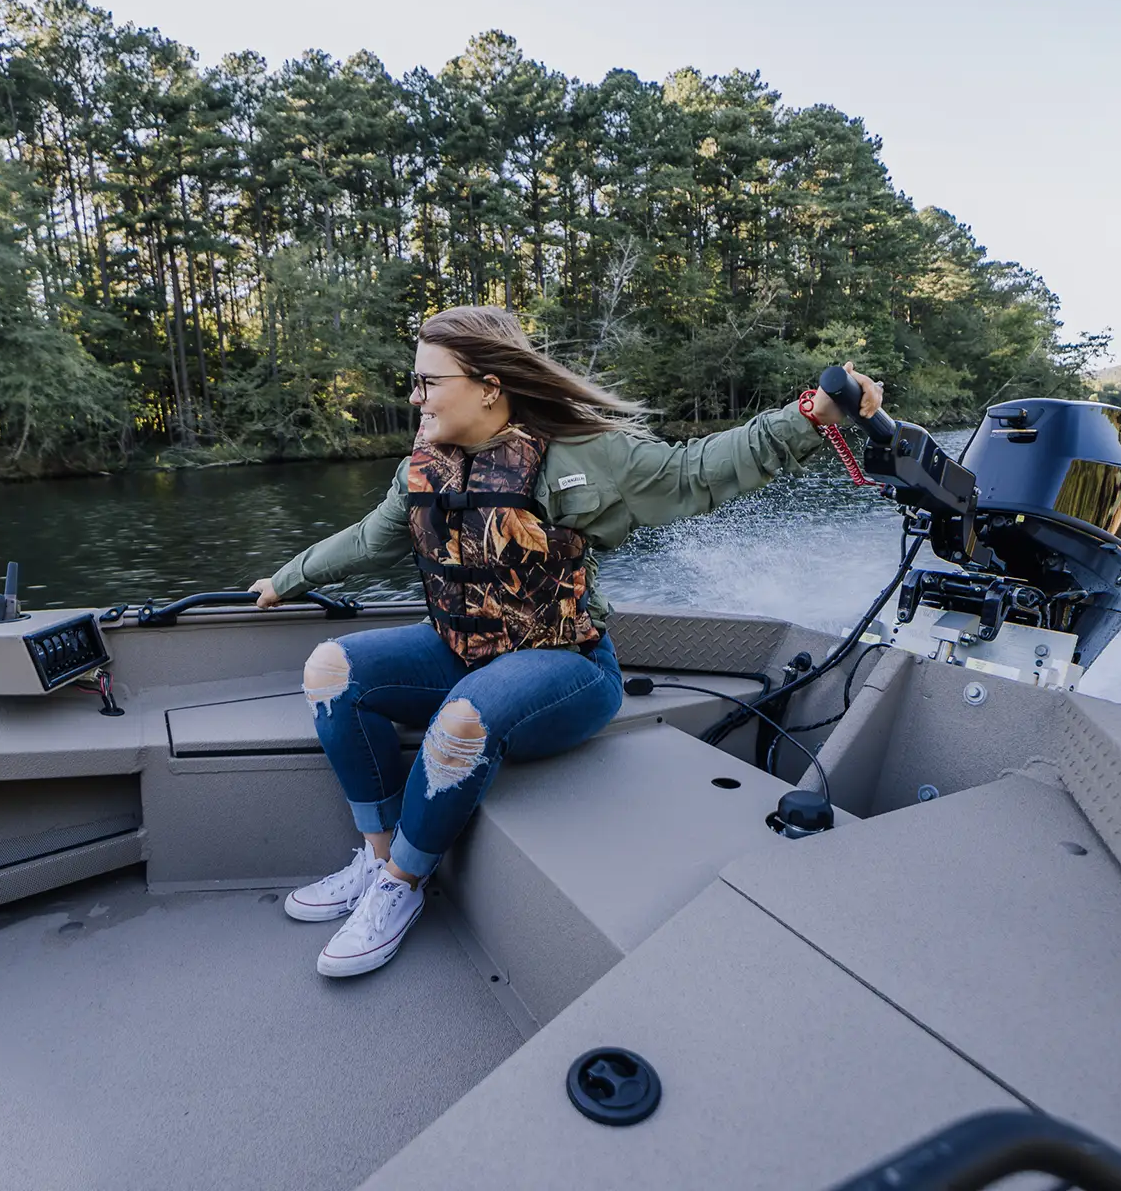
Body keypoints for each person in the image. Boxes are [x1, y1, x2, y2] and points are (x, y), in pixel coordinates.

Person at [250, 305, 881, 977]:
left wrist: (810, 417)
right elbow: (369, 538)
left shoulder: (580, 455)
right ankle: (377, 858)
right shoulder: (424, 462)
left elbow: (694, 472)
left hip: (569, 665)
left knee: (463, 719)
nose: (414, 397)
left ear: (488, 385)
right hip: (460, 650)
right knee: (330, 671)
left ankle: (401, 887)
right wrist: (285, 581)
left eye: (428, 382)